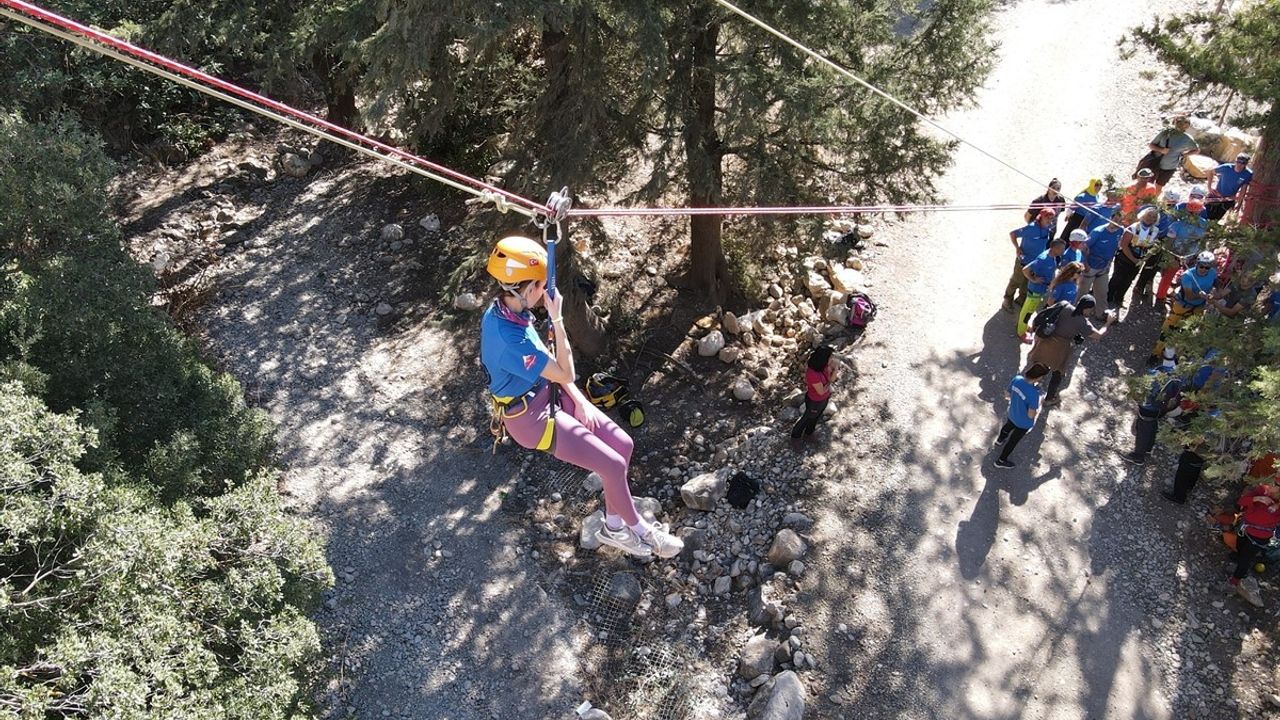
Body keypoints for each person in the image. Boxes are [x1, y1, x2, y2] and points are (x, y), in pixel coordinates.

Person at [480, 235, 682, 559]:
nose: (544, 291)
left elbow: (554, 371)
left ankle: (613, 526)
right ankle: (646, 534)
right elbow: (565, 371)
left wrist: (579, 399)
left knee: (623, 445)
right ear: (524, 287)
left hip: (548, 394)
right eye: (540, 285)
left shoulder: (505, 311)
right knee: (613, 466)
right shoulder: (509, 340)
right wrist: (558, 319)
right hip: (533, 420)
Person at [1025, 295, 1116, 406]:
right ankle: (1049, 398)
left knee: (1038, 363)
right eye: (1091, 310)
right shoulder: (1082, 322)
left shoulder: (1064, 304)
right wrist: (1108, 322)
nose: (1091, 312)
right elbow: (1098, 335)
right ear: (1086, 309)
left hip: (1045, 340)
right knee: (1058, 372)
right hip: (1060, 348)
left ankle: (1025, 387)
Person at [1151, 250, 1218, 362]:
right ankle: (1156, 354)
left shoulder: (1212, 273)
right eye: (1201, 266)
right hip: (1182, 306)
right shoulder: (1187, 276)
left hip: (1198, 308)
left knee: (1188, 333)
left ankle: (1177, 355)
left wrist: (1216, 293)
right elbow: (1189, 295)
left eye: (1207, 267)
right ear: (1197, 264)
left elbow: (1216, 283)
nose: (1204, 270)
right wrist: (1202, 296)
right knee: (1168, 330)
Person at [1223, 482, 1280, 608]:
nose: (1271, 486)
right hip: (1245, 528)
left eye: (1276, 485)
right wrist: (1257, 498)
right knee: (1239, 549)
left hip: (1259, 537)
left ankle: (1234, 581)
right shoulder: (1262, 489)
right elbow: (1242, 501)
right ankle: (1237, 564)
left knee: (1246, 559)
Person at [993, 363, 1050, 469]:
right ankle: (1001, 461)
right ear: (1038, 378)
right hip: (1023, 423)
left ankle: (1000, 440)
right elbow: (1030, 414)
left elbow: (1007, 395)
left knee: (1007, 426)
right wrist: (1038, 407)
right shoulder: (1034, 393)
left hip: (1012, 413)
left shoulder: (1017, 379)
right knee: (1013, 441)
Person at [1106, 207, 1161, 316]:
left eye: (1154, 217)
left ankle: (1119, 299)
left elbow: (1152, 247)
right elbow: (1124, 245)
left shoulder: (1155, 231)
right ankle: (1108, 298)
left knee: (1128, 280)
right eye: (1149, 215)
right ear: (1143, 215)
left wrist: (1143, 259)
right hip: (1125, 257)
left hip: (1139, 258)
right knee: (1117, 277)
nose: (1151, 218)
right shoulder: (1133, 228)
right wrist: (1134, 259)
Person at [1154, 194, 1209, 301]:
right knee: (1168, 277)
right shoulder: (1177, 225)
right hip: (1176, 255)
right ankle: (1161, 297)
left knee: (1188, 278)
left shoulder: (1203, 224)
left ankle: (1180, 297)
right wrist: (1170, 258)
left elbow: (1203, 241)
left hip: (1193, 257)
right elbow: (1168, 244)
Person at [1003, 208, 1056, 313]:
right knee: (1016, 281)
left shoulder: (1048, 228)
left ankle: (1020, 300)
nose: (1050, 220)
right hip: (1023, 260)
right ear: (1041, 217)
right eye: (1047, 218)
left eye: (1051, 218)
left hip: (1034, 263)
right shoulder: (1031, 228)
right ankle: (1007, 300)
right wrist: (1017, 248)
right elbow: (1013, 234)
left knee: (1026, 282)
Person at [1017, 237, 1066, 338]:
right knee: (1027, 312)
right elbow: (1026, 269)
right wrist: (1034, 279)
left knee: (1030, 310)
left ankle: (1024, 326)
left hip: (1040, 290)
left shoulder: (1052, 256)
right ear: (1054, 248)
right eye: (1061, 249)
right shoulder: (1043, 259)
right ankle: (1021, 332)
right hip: (1035, 291)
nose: (1063, 251)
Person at [790, 345, 837, 448]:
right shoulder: (812, 373)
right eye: (830, 357)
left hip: (824, 399)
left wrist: (835, 369)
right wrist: (829, 383)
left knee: (816, 417)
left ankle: (808, 434)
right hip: (815, 401)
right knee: (807, 418)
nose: (832, 359)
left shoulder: (824, 367)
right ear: (823, 359)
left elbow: (831, 379)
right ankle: (795, 436)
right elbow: (821, 391)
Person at [1080, 212, 1124, 318]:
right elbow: (1083, 247)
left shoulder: (1120, 231)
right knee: (1082, 292)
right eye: (1115, 220)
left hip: (1104, 266)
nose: (1117, 223)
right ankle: (1075, 312)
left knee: (1102, 292)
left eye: (1120, 221)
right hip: (1090, 266)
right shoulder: (1098, 232)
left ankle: (1101, 313)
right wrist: (1085, 264)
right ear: (1110, 218)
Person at [1142, 115, 1199, 189]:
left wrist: (1185, 154)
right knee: (1147, 185)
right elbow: (1151, 145)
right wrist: (1161, 150)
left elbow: (1196, 150)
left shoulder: (1187, 139)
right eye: (1180, 124)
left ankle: (1152, 199)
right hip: (1155, 164)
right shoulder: (1165, 133)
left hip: (1169, 167)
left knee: (1159, 186)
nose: (1181, 126)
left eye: (1184, 125)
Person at [1206, 153, 1254, 222]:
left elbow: (1243, 189)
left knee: (1216, 219)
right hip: (1216, 196)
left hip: (1228, 199)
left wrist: (1239, 204)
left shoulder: (1247, 174)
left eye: (1243, 163)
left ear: (1246, 164)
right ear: (1235, 161)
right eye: (1238, 162)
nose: (1239, 165)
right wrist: (1209, 187)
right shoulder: (1226, 167)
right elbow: (1210, 172)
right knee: (1206, 214)